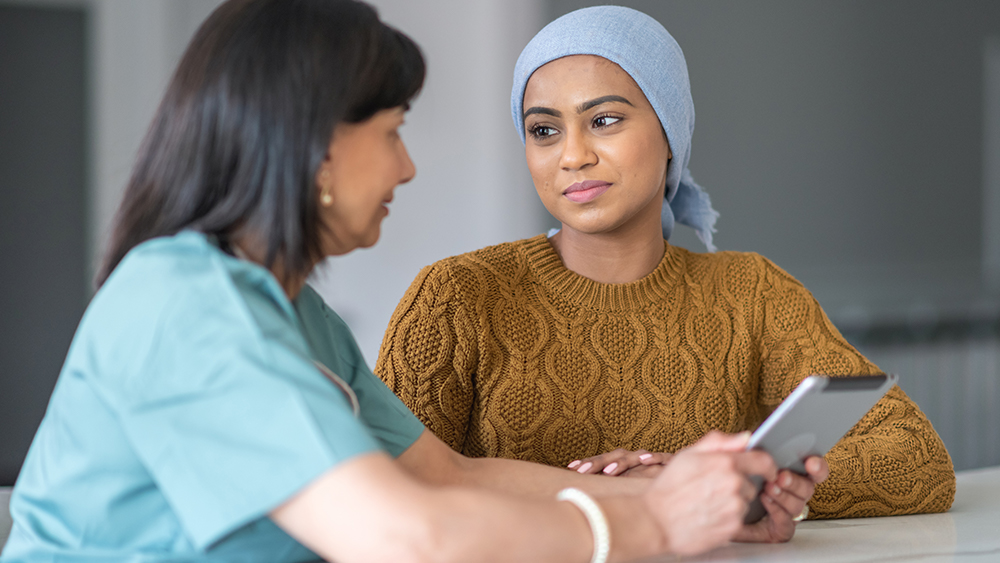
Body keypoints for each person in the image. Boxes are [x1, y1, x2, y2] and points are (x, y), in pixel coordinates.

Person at [0, 1, 803, 561]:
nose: (407, 166)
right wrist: (654, 523)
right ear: (312, 145)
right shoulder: (180, 306)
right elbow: (403, 538)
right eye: (392, 132)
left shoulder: (295, 315)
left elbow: (449, 473)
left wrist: (701, 498)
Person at [375, 5, 956, 520]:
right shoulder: (456, 296)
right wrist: (652, 496)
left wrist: (715, 488)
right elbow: (382, 498)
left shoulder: (751, 293)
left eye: (604, 120)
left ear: (670, 132)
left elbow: (916, 462)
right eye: (544, 130)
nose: (572, 155)